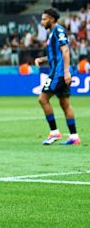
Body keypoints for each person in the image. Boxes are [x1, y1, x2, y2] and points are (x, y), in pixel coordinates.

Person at [34, 8, 80, 146]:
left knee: (43, 99)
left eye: (44, 19)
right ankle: (74, 137)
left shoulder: (58, 30)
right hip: (59, 71)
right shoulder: (52, 33)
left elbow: (65, 50)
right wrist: (43, 59)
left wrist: (66, 72)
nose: (42, 22)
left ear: (52, 19)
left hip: (58, 73)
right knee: (65, 104)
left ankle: (54, 132)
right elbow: (56, 55)